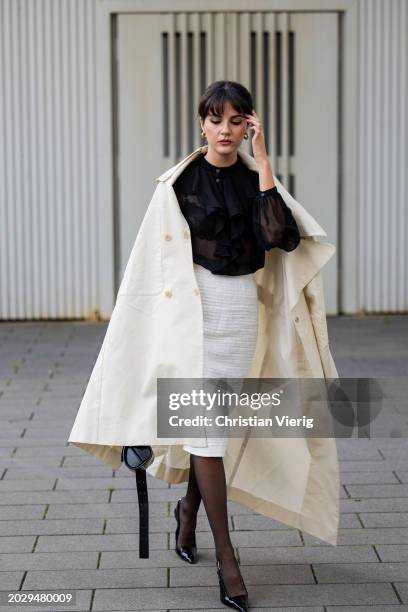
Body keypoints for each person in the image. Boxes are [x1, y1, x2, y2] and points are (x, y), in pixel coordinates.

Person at [171, 80, 301, 612]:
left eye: (236, 121)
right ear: (201, 123)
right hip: (195, 312)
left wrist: (265, 163)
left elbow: (280, 238)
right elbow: (161, 257)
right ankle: (228, 558)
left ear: (249, 124)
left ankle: (187, 510)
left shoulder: (254, 181)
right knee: (207, 431)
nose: (225, 130)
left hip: (238, 308)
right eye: (216, 119)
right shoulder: (179, 182)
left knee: (215, 428)